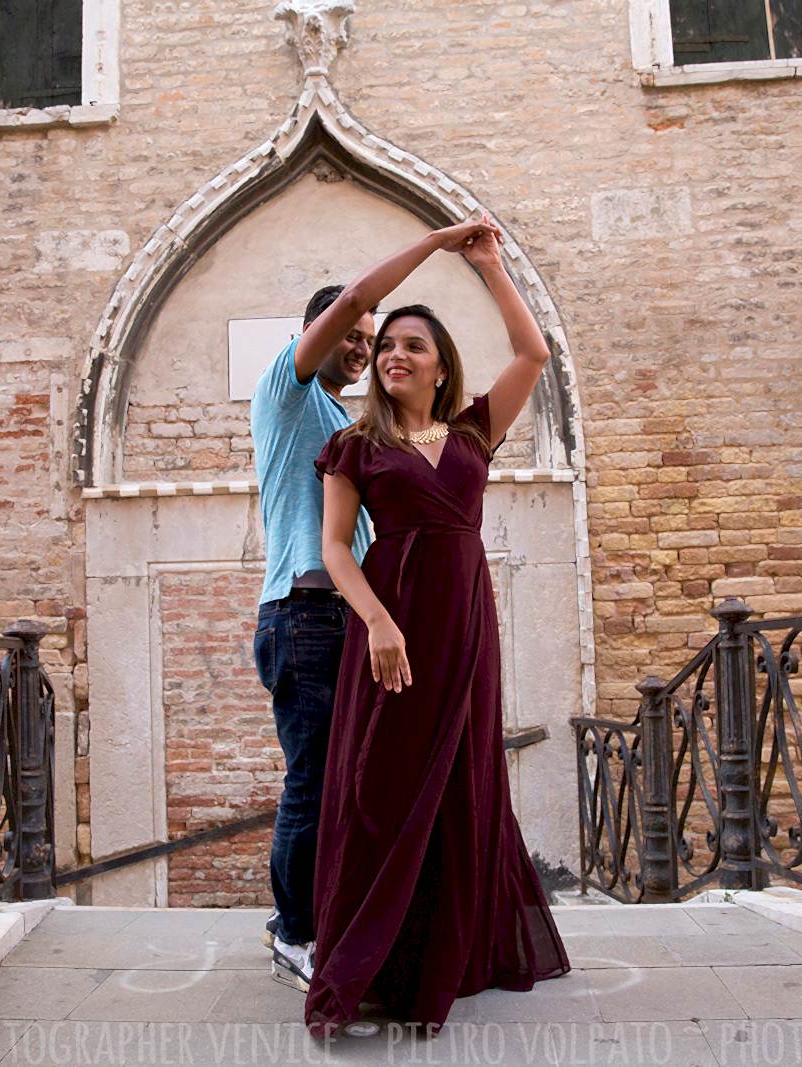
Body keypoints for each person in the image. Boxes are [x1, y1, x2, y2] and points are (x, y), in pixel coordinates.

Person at [301, 215, 571, 1035]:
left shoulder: (472, 432)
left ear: (440, 363)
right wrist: (378, 622)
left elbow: (533, 355)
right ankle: (358, 968)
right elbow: (335, 550)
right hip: (392, 628)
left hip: (462, 625)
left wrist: (489, 266)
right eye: (387, 346)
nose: (393, 355)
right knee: (376, 789)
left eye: (412, 345)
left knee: (461, 781)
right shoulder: (354, 444)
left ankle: (445, 959)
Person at [249, 281, 381, 991]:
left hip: (341, 620)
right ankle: (294, 933)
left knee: (340, 779)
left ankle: (315, 921)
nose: (360, 347)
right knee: (313, 778)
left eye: (370, 337)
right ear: (316, 331)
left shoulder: (344, 419)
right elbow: (355, 296)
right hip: (303, 616)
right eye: (350, 333)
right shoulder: (288, 390)